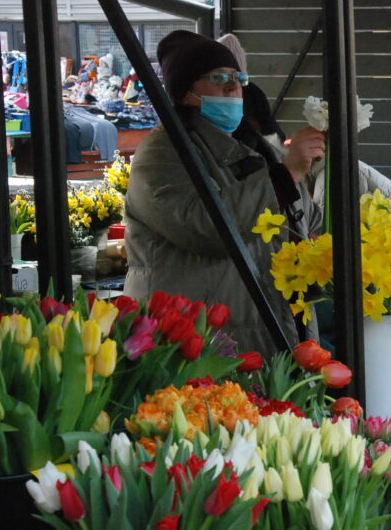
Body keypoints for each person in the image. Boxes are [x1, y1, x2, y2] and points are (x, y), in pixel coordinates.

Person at [124, 30, 325, 355]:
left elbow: (306, 220)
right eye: (218, 78)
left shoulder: (252, 148)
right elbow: (205, 226)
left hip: (260, 329)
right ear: (186, 92)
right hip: (197, 340)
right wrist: (287, 174)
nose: (233, 87)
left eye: (238, 78)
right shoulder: (163, 152)